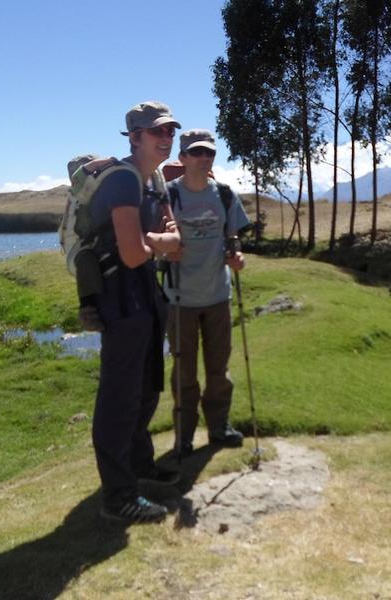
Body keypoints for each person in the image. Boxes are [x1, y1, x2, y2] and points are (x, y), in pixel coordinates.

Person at [90, 101, 183, 524]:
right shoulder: (124, 181)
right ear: (134, 136)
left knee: (147, 386)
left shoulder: (155, 180)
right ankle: (119, 496)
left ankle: (139, 465)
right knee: (119, 396)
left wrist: (156, 242)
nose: (166, 138)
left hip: (145, 292)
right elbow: (130, 255)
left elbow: (174, 239)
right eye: (156, 132)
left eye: (169, 131)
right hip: (121, 295)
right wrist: (157, 243)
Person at [164, 129, 251, 456]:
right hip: (179, 299)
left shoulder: (226, 195)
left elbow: (232, 240)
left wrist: (237, 257)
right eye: (196, 153)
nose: (203, 159)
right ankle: (184, 438)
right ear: (183, 157)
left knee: (219, 370)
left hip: (218, 297)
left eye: (209, 153)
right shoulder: (167, 196)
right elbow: (154, 241)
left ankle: (218, 428)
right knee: (184, 373)